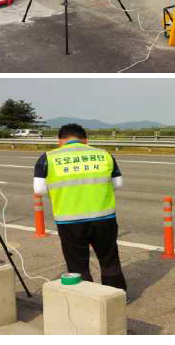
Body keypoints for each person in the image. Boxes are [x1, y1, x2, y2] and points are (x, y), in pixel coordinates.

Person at [34, 123, 127, 292]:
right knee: (109, 259)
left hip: (69, 219)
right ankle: (117, 296)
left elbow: (38, 190)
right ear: (86, 140)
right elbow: (118, 184)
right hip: (104, 217)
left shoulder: (47, 158)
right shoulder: (103, 154)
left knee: (77, 264)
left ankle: (87, 299)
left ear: (60, 141)